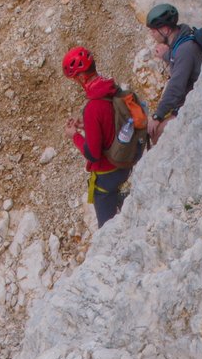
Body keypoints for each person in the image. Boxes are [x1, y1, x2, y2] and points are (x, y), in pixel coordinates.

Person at [63, 46, 146, 227]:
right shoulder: (112, 89)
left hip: (107, 173)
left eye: (76, 79)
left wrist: (75, 136)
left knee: (107, 229)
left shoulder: (92, 108)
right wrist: (87, 127)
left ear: (81, 77)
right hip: (125, 164)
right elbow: (112, 122)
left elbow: (93, 154)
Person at [146, 3, 202, 133]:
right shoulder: (182, 38)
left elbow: (176, 87)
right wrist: (166, 55)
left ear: (165, 30)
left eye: (154, 31)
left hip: (198, 103)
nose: (151, 34)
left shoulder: (185, 49)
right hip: (192, 96)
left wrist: (158, 115)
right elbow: (179, 59)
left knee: (156, 133)